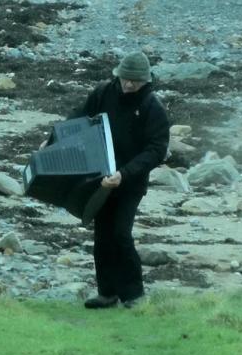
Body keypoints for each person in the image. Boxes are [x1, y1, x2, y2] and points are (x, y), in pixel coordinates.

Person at [68, 51, 170, 309]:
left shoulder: (152, 107)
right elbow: (79, 118)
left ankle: (135, 295)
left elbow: (157, 150)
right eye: (125, 78)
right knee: (102, 235)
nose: (128, 85)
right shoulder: (103, 92)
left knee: (120, 233)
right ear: (118, 75)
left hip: (130, 182)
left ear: (145, 81)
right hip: (100, 177)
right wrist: (53, 139)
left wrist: (125, 174)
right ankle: (107, 293)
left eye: (134, 81)